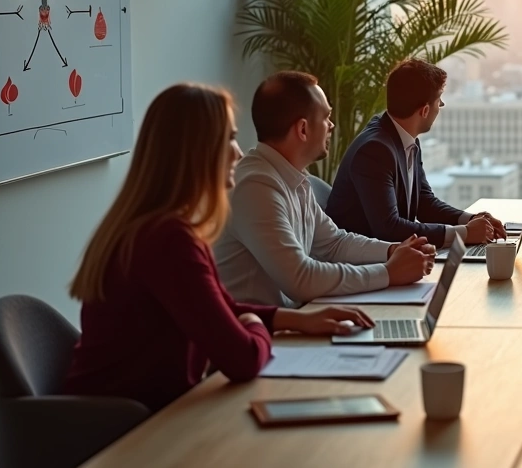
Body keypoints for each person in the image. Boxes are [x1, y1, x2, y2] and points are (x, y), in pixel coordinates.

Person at [64, 84, 374, 413]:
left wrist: (297, 321)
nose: (239, 152)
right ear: (197, 151)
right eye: (229, 138)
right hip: (120, 434)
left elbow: (224, 307)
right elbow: (242, 359)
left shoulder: (155, 227)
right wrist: (255, 321)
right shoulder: (168, 240)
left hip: (139, 413)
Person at [215, 71, 435, 308]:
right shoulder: (255, 186)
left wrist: (393, 251)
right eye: (326, 117)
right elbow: (301, 278)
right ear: (303, 129)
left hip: (294, 323)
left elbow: (334, 243)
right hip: (265, 336)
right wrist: (389, 272)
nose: (331, 125)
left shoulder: (293, 177)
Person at [326, 59, 506, 247]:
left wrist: (472, 220)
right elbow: (389, 229)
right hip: (360, 266)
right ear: (425, 110)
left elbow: (425, 204)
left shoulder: (404, 138)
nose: (441, 105)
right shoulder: (375, 150)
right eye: (439, 100)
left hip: (389, 260)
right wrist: (463, 234)